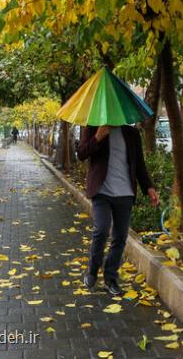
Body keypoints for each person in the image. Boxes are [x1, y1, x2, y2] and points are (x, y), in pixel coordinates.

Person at [78, 125, 159, 295]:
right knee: (101, 230)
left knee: (120, 237)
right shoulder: (93, 127)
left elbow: (139, 163)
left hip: (125, 193)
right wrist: (97, 137)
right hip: (102, 191)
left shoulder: (131, 133)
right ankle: (92, 271)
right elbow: (81, 153)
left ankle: (110, 278)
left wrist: (149, 187)